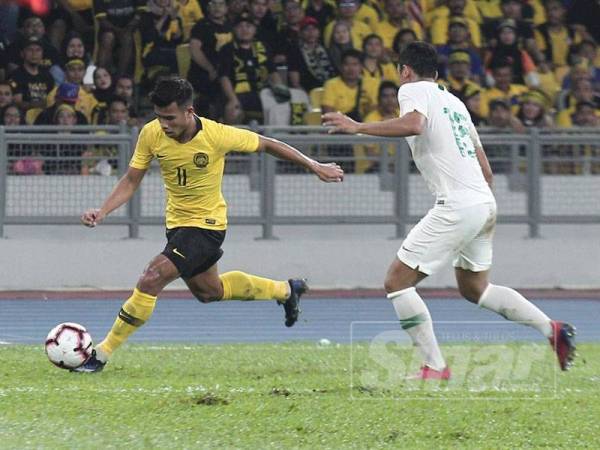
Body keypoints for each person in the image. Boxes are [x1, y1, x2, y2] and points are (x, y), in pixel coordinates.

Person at [322, 41, 575, 380]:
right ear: (438, 73)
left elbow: (413, 125)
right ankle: (553, 329)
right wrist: (478, 210)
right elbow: (485, 168)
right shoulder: (455, 103)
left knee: (397, 281)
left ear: (405, 71)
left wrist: (358, 126)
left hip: (459, 204)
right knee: (476, 289)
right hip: (483, 203)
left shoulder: (412, 90)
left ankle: (434, 366)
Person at [74, 77, 344, 372]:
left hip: (207, 226)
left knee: (152, 277)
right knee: (209, 292)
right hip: (177, 226)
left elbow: (268, 143)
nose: (163, 124)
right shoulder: (151, 134)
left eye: (170, 118)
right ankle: (286, 290)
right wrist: (103, 211)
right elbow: (130, 180)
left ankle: (101, 354)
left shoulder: (216, 135)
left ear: (189, 111)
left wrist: (315, 165)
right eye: (159, 117)